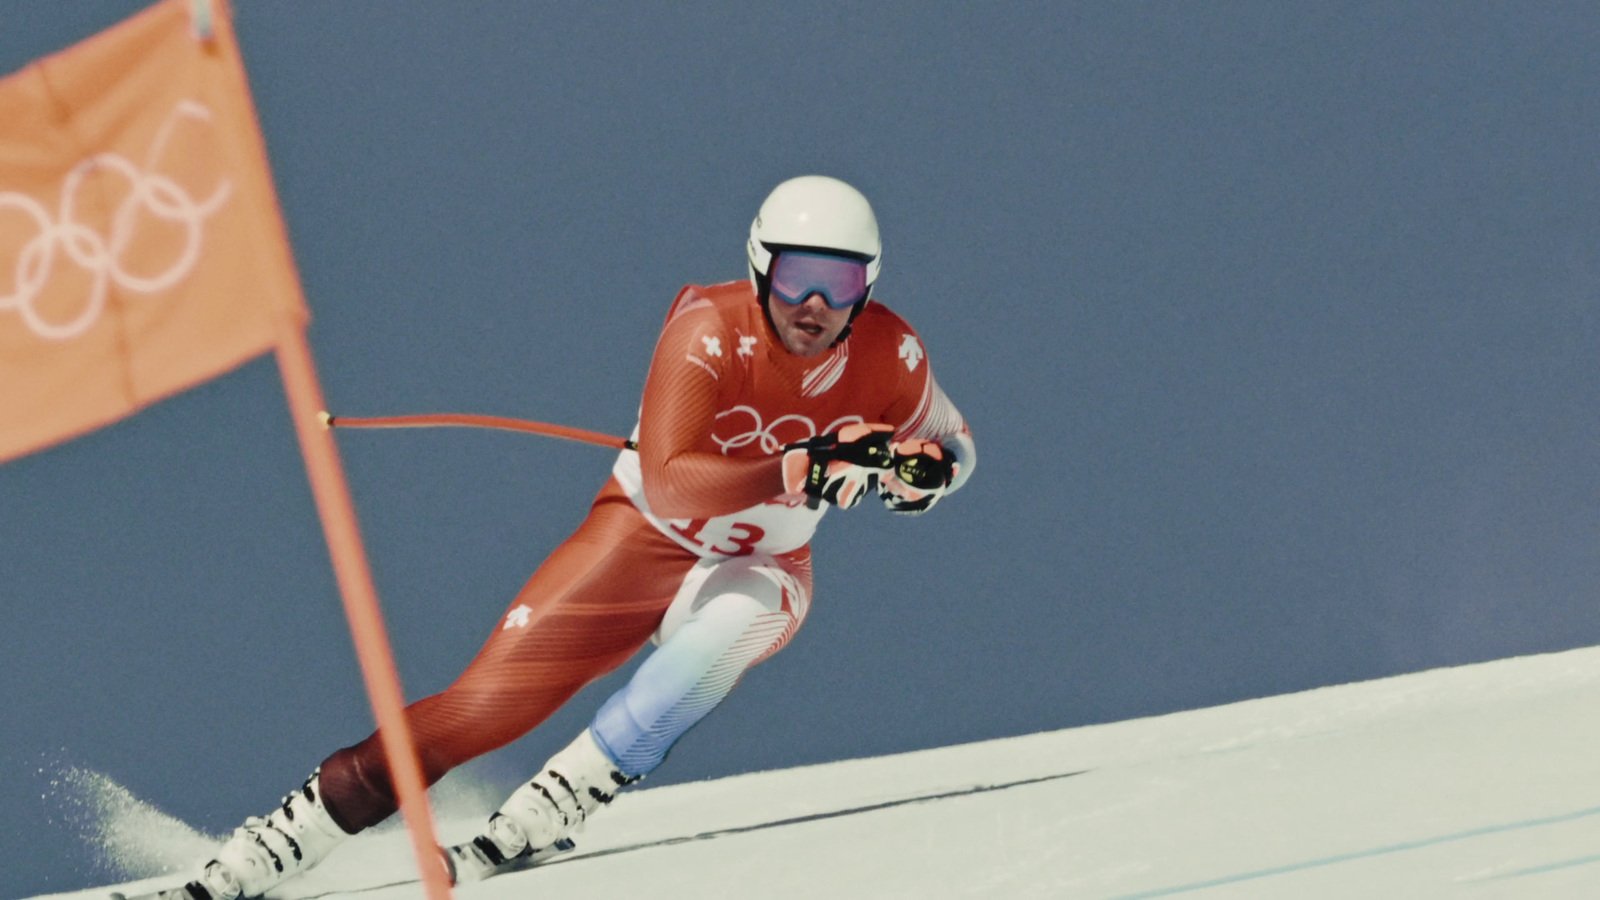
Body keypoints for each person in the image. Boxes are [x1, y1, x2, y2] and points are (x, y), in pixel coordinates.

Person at [164, 175, 976, 900]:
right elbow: (669, 479)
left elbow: (954, 447)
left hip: (763, 563)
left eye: (840, 283)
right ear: (762, 267)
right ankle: (259, 860)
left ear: (867, 289)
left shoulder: (892, 355)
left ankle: (566, 795)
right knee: (472, 714)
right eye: (800, 276)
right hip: (643, 540)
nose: (816, 306)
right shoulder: (705, 332)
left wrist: (923, 475)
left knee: (722, 639)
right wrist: (797, 467)